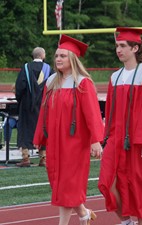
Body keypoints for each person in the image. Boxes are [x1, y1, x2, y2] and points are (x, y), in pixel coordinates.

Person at [98, 27, 142, 225]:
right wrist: (106, 138)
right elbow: (110, 112)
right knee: (106, 182)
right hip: (116, 139)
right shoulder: (115, 77)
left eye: (122, 46)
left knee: (141, 189)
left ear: (135, 48)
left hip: (138, 142)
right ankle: (127, 222)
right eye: (117, 46)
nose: (118, 50)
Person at [33, 34, 104, 225]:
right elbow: (43, 113)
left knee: (67, 184)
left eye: (63, 56)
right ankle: (83, 214)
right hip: (55, 141)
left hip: (75, 141)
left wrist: (95, 140)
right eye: (56, 56)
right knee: (59, 183)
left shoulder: (82, 82)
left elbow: (92, 113)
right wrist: (40, 136)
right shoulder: (51, 81)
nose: (58, 59)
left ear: (72, 58)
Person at [15, 47, 54, 167]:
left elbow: (20, 87)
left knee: (25, 129)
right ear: (43, 56)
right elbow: (53, 87)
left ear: (33, 56)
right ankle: (43, 158)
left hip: (27, 105)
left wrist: (20, 100)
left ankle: (25, 158)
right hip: (44, 104)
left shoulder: (26, 68)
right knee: (43, 128)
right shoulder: (49, 69)